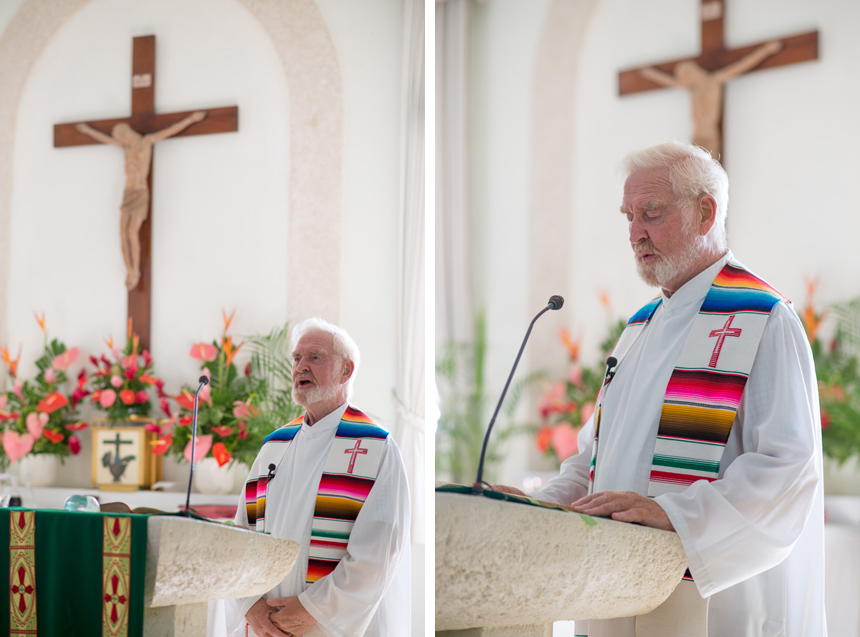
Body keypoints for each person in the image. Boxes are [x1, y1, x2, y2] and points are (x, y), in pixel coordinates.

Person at [495, 141, 825, 636]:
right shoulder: (639, 328)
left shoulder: (761, 318)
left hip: (714, 597)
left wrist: (672, 512)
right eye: (628, 216)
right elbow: (594, 459)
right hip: (615, 582)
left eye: (651, 213)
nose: (634, 233)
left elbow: (786, 469)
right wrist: (544, 506)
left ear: (705, 212)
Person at [225, 318, 411, 637]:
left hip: (328, 625)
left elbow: (378, 554)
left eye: (316, 357)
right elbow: (240, 536)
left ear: (346, 371)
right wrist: (252, 607)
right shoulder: (274, 446)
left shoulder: (375, 448)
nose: (301, 367)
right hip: (264, 625)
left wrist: (312, 611)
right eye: (297, 359)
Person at [75, 111, 206, 290]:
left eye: (121, 136)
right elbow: (106, 140)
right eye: (119, 138)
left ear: (127, 132)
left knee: (131, 233)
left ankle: (135, 270)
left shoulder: (146, 143)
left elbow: (170, 130)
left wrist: (191, 119)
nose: (120, 140)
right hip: (127, 192)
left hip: (140, 192)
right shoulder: (126, 148)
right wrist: (88, 131)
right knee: (122, 234)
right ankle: (128, 269)